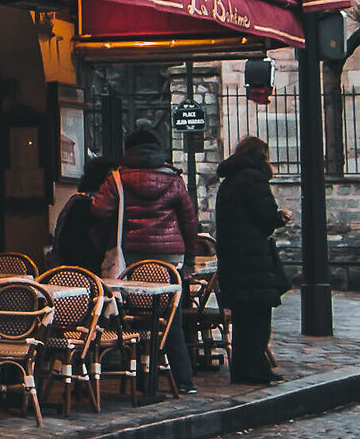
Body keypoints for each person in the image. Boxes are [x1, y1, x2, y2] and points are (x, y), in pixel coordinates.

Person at [90, 124, 199, 393]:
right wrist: (190, 258)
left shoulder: (117, 179)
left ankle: (138, 376)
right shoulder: (174, 179)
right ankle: (184, 380)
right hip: (169, 259)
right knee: (170, 318)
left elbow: (100, 211)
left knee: (133, 316)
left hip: (132, 256)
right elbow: (189, 221)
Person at [213, 136, 289, 385]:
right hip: (253, 259)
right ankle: (256, 369)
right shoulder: (254, 179)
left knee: (242, 319)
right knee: (259, 318)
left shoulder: (228, 181)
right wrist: (281, 217)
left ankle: (241, 370)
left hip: (233, 259)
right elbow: (265, 217)